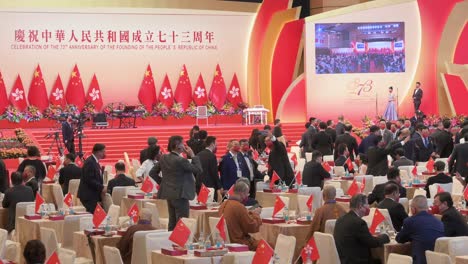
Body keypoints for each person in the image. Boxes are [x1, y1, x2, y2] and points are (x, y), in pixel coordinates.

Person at [150, 135, 202, 231]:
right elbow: (198, 169)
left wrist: (163, 183)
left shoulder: (164, 157)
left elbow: (152, 173)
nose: (184, 146)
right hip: (180, 194)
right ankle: (178, 244)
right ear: (178, 145)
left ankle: (170, 243)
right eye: (183, 143)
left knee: (172, 221)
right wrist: (193, 155)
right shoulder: (181, 160)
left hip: (169, 193)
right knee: (182, 222)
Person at [334, 194, 390, 264]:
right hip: (357, 261)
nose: (368, 206)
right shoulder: (359, 223)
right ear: (360, 206)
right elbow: (373, 243)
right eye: (367, 204)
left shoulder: (340, 220)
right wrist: (385, 236)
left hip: (343, 260)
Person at [396, 195, 444, 264]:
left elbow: (399, 239)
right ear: (427, 208)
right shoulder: (438, 221)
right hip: (436, 260)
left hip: (419, 260)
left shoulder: (410, 221)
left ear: (413, 209)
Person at [218, 180, 262, 250]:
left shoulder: (223, 205)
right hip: (239, 243)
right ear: (242, 193)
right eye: (247, 194)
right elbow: (252, 227)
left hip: (227, 242)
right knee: (270, 244)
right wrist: (256, 215)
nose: (247, 197)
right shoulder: (238, 206)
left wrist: (250, 213)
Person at [78, 143, 107, 213]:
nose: (104, 153)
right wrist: (101, 187)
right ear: (98, 152)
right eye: (103, 151)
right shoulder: (90, 162)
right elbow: (89, 179)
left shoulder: (94, 161)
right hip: (89, 195)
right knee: (91, 216)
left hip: (92, 194)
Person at [197, 136, 222, 201]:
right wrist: (219, 186)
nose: (217, 145)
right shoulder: (212, 156)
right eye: (216, 143)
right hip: (210, 186)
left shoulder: (199, 154)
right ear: (212, 144)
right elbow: (214, 173)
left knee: (202, 205)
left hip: (200, 185)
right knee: (211, 206)